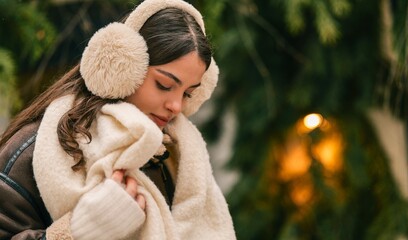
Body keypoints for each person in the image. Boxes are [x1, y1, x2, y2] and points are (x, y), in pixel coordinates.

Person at [0, 0, 236, 239]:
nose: (176, 106)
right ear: (122, 65)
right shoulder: (33, 149)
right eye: (164, 85)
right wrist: (81, 231)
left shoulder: (173, 155)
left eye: (187, 93)